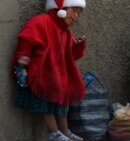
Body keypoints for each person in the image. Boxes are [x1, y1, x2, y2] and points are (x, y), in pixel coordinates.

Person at [11, 0, 87, 141]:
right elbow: (25, 42)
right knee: (46, 103)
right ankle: (54, 133)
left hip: (58, 76)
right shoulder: (40, 22)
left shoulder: (64, 32)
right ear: (61, 8)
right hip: (42, 74)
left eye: (78, 13)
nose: (76, 16)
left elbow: (70, 56)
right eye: (74, 10)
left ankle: (65, 131)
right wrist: (22, 65)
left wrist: (78, 46)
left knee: (63, 102)